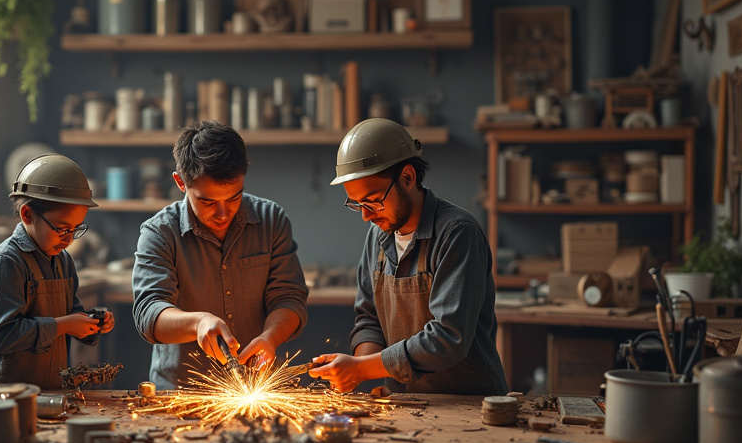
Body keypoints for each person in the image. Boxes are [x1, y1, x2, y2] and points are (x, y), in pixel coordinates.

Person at [309, 119, 508, 395]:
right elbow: (369, 319)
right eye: (357, 204)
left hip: (468, 403)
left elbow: (448, 338)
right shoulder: (378, 235)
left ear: (407, 178)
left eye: (373, 200)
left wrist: (363, 368)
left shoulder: (458, 234)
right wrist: (358, 369)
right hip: (404, 403)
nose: (366, 215)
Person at [132, 121, 309, 389]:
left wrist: (271, 337)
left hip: (257, 387)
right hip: (183, 393)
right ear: (181, 182)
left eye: (234, 198)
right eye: (208, 202)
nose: (224, 213)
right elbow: (148, 314)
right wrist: (198, 323)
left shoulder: (272, 220)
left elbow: (289, 299)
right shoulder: (159, 233)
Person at [0, 153, 115, 388]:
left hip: (52, 389)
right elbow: (3, 336)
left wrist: (92, 324)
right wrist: (64, 324)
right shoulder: (7, 262)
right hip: (7, 395)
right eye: (61, 229)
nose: (69, 239)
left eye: (76, 229)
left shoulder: (63, 261)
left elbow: (72, 314)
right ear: (28, 215)